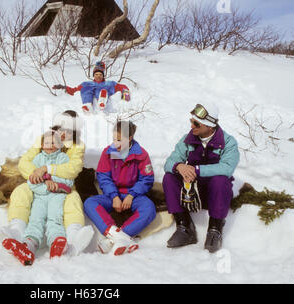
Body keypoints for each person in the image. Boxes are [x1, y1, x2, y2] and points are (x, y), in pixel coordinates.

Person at [1, 110, 94, 257]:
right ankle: (17, 231)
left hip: (63, 187)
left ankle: (73, 235)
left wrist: (47, 169)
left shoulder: (77, 146)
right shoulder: (45, 139)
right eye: (62, 129)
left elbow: (73, 169)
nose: (64, 134)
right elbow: (25, 162)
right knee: (21, 191)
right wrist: (40, 176)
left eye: (69, 131)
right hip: (38, 184)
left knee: (73, 199)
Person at [162, 102, 240, 253]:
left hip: (217, 194)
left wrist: (196, 170)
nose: (192, 126)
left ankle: (215, 229)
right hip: (193, 192)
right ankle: (185, 227)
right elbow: (169, 162)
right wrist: (179, 166)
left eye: (196, 123)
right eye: (191, 121)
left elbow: (227, 168)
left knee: (221, 179)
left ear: (209, 126)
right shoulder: (188, 139)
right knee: (169, 177)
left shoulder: (228, 142)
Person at [83, 120, 156, 255]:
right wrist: (114, 196)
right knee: (89, 203)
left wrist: (131, 195)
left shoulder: (141, 154)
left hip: (134, 196)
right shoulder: (108, 153)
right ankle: (118, 237)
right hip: (112, 195)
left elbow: (147, 179)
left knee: (149, 208)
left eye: (119, 140)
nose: (115, 143)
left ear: (129, 138)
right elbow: (103, 177)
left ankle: (112, 240)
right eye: (113, 139)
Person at [3, 131, 74, 265]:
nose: (50, 145)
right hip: (40, 197)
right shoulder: (38, 159)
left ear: (60, 144)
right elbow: (32, 182)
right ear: (41, 145)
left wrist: (56, 183)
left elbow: (69, 180)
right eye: (46, 143)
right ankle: (29, 245)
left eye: (53, 142)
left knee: (55, 218)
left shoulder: (63, 159)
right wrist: (46, 184)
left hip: (57, 196)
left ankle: (56, 242)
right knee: (35, 219)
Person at [52, 61, 131, 113]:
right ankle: (87, 106)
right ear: (93, 75)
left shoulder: (109, 83)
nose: (98, 76)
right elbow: (73, 90)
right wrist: (63, 87)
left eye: (100, 75)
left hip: (103, 93)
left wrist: (126, 96)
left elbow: (123, 86)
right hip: (90, 93)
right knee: (86, 89)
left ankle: (102, 101)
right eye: (96, 74)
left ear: (103, 75)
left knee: (102, 91)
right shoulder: (87, 83)